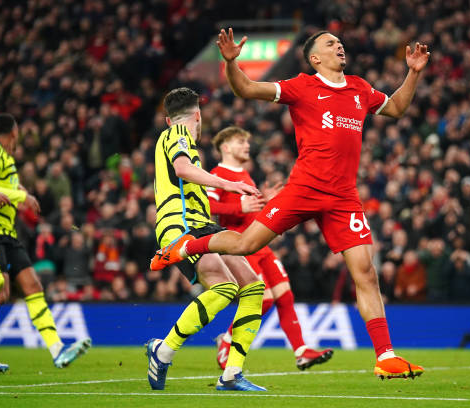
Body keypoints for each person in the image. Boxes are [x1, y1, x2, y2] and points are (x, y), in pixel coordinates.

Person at [152, 29, 430, 379]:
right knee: (245, 244)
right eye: (330, 43)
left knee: (366, 272)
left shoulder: (361, 88)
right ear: (315, 58)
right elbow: (247, 89)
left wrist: (413, 73)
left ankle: (385, 356)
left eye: (339, 42)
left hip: (344, 197)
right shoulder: (302, 86)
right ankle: (184, 247)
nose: (339, 46)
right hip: (305, 188)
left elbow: (398, 107)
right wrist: (232, 63)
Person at [146, 87, 267, 392]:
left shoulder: (181, 141)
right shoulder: (177, 133)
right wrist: (230, 184)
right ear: (197, 116)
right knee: (225, 287)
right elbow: (182, 169)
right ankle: (163, 352)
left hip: (203, 225)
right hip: (181, 224)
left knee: (253, 287)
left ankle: (232, 373)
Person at [208, 126, 333, 370]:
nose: (247, 145)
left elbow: (250, 210)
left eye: (246, 141)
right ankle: (227, 341)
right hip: (240, 246)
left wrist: (264, 200)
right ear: (226, 147)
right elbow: (208, 206)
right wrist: (238, 208)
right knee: (264, 300)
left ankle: (301, 351)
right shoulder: (217, 174)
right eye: (240, 141)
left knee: (285, 295)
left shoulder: (245, 174)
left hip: (260, 243)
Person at [0, 113, 91, 370]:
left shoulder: (8, 160)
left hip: (7, 234)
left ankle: (57, 350)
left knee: (33, 285)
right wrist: (17, 196)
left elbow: (7, 188)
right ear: (13, 133)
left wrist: (19, 192)